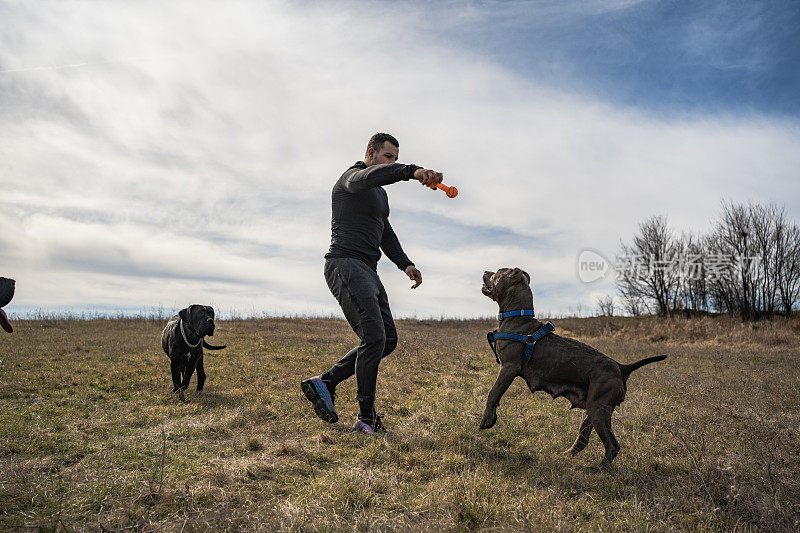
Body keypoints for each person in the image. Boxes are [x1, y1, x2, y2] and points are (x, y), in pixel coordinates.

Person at [301, 133, 443, 435]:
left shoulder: (379, 195)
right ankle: (366, 417)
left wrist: (406, 264)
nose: (391, 162)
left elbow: (385, 234)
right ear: (371, 153)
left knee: (386, 340)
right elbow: (378, 175)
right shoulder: (352, 179)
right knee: (374, 337)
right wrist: (411, 171)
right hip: (345, 264)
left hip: (367, 269)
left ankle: (325, 382)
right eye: (388, 157)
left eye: (395, 158)